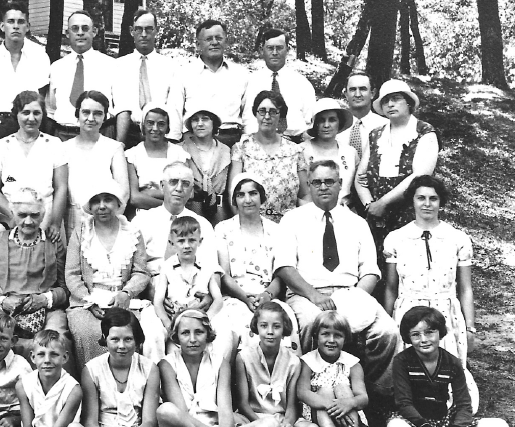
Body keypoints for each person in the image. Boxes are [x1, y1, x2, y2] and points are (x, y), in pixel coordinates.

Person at [275, 160, 400, 407]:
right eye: (317, 182)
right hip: (308, 294)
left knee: (388, 331)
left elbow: (371, 272)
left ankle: (374, 398)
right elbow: (285, 268)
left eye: (329, 181)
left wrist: (354, 299)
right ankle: (313, 399)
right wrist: (314, 295)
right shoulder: (292, 219)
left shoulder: (356, 222)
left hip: (351, 292)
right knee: (313, 323)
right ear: (309, 185)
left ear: (340, 184)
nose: (323, 187)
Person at [157, 309, 279, 427]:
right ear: (176, 336)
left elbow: (225, 412)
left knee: (272, 424)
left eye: (199, 332)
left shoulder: (220, 363)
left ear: (208, 334)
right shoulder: (167, 364)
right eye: (185, 333)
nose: (192, 339)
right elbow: (181, 413)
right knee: (166, 411)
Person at [64, 309, 185, 427]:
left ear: (137, 340)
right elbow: (90, 425)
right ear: (105, 338)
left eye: (128, 339)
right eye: (115, 339)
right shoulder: (92, 370)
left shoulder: (149, 368)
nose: (121, 346)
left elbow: (149, 422)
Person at [383, 176, 480, 405]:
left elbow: (465, 288)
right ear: (412, 202)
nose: (427, 204)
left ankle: (448, 411)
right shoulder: (396, 239)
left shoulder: (457, 239)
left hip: (444, 310)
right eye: (421, 198)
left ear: (440, 202)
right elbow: (390, 287)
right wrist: (388, 323)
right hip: (409, 310)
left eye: (433, 198)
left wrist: (470, 327)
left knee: (446, 372)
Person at [387, 306, 509, 427]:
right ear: (408, 337)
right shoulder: (402, 361)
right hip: (416, 421)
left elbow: (464, 404)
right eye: (416, 334)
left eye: (429, 332)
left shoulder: (452, 362)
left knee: (501, 426)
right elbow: (404, 403)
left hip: (445, 419)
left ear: (440, 332)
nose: (423, 339)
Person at [0, 188, 71, 361]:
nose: (28, 221)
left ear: (43, 216)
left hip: (46, 309)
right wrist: (3, 301)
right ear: (12, 213)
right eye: (22, 215)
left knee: (56, 340)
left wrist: (44, 299)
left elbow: (65, 289)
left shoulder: (53, 243)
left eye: (34, 215)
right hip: (6, 309)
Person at [65, 182, 150, 367]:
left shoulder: (132, 232)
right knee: (91, 333)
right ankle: (93, 385)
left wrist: (126, 293)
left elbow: (141, 272)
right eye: (96, 201)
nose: (102, 206)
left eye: (108, 200)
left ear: (118, 203)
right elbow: (71, 274)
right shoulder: (81, 233)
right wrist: (90, 300)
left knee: (132, 332)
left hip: (124, 299)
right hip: (87, 302)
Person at [214, 173, 300, 352]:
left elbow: (281, 273)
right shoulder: (223, 229)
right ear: (234, 200)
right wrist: (245, 298)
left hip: (269, 296)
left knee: (283, 323)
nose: (247, 200)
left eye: (253, 193)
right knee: (241, 327)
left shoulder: (277, 231)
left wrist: (267, 295)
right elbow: (223, 274)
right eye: (241, 195)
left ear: (262, 197)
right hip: (236, 297)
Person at [356, 79, 440, 254]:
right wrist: (370, 206)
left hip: (410, 214)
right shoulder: (376, 134)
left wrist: (383, 203)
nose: (390, 104)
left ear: (408, 102)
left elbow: (420, 177)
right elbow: (360, 177)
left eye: (396, 99)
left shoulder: (425, 132)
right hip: (376, 215)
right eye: (385, 101)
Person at [235, 302, 323, 427]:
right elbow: (243, 404)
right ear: (256, 327)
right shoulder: (243, 358)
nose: (270, 332)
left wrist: (288, 425)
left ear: (284, 329)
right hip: (254, 418)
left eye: (276, 326)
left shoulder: (294, 362)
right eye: (264, 326)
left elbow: (291, 405)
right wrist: (262, 424)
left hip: (280, 418)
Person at [296, 311, 369, 427]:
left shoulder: (352, 364)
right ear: (316, 335)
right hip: (320, 416)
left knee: (343, 387)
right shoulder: (308, 361)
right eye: (325, 334)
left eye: (338, 335)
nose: (331, 340)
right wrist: (330, 404)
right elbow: (302, 392)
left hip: (349, 417)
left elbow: (363, 397)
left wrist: (348, 403)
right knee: (325, 390)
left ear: (346, 338)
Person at [0, 91, 67, 241]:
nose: (31, 118)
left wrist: (55, 223)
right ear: (16, 114)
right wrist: (14, 216)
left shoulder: (54, 144)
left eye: (36, 113)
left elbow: (61, 187)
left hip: (44, 218)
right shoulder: (2, 145)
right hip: (8, 217)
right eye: (25, 113)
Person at [0, 1, 50, 144]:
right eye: (10, 21)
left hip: (29, 121)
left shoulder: (40, 55)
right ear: (2, 26)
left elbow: (42, 93)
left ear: (27, 27)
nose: (16, 26)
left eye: (21, 22)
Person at [228, 90, 308, 218]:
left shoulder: (295, 151)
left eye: (273, 111)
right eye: (262, 111)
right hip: (253, 226)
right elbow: (233, 194)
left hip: (287, 226)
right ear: (256, 113)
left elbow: (305, 195)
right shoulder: (242, 148)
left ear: (280, 115)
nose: (267, 116)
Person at [112, 7, 183, 147]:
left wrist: (173, 140)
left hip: (160, 134)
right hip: (128, 133)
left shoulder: (171, 66)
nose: (143, 34)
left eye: (149, 29)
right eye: (139, 29)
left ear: (156, 31)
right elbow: (117, 104)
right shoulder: (118, 66)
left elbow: (175, 105)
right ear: (132, 31)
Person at [62, 91, 129, 234]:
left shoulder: (114, 148)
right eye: (86, 112)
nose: (91, 118)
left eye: (98, 113)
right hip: (71, 222)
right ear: (77, 114)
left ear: (105, 116)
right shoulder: (63, 148)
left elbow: (123, 192)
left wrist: (107, 221)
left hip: (105, 223)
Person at [131, 161, 214, 275]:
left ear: (191, 191)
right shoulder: (142, 221)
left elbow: (211, 267)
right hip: (152, 283)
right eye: (173, 182)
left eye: (185, 183)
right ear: (162, 186)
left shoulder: (202, 225)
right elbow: (135, 268)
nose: (179, 188)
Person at [46, 10, 116, 141]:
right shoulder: (56, 67)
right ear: (67, 33)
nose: (80, 33)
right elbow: (51, 109)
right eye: (74, 28)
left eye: (85, 28)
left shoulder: (111, 65)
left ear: (94, 32)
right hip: (64, 135)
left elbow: (120, 108)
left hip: (100, 135)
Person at [152, 215, 225, 336]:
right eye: (181, 241)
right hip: (176, 318)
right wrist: (168, 325)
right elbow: (158, 301)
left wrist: (208, 319)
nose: (187, 246)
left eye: (191, 240)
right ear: (172, 243)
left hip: (200, 318)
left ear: (200, 241)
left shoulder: (207, 266)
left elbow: (218, 299)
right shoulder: (166, 267)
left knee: (223, 330)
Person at [182, 18, 248, 149]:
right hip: (194, 141)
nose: (214, 43)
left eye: (219, 38)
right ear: (198, 44)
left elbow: (248, 114)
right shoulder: (184, 73)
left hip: (232, 140)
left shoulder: (241, 74)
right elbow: (175, 111)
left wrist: (247, 142)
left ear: (226, 41)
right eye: (208, 39)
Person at [242, 27, 316, 142]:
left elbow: (311, 120)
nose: (275, 53)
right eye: (270, 48)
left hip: (294, 141)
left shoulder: (301, 83)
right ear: (262, 50)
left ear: (287, 50)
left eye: (279, 48)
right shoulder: (249, 82)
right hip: (255, 143)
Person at [125, 107, 189, 212]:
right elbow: (135, 198)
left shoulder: (179, 154)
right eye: (150, 123)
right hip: (143, 214)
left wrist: (150, 193)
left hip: (175, 216)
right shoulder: (132, 155)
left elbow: (188, 194)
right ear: (143, 126)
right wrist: (170, 204)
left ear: (168, 128)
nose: (155, 128)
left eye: (161, 124)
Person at [299, 98, 357, 205]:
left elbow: (356, 188)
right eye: (321, 120)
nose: (326, 125)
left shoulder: (350, 152)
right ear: (315, 124)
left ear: (339, 122)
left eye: (332, 120)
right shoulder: (301, 151)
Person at [181, 105, 231, 224]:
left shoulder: (226, 150)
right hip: (190, 208)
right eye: (195, 120)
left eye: (205, 119)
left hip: (219, 211)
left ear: (214, 123)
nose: (200, 124)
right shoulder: (181, 149)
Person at [337, 72, 386, 170]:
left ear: (372, 93)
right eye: (352, 89)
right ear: (346, 94)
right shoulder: (335, 126)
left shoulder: (385, 126)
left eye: (363, 89)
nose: (357, 94)